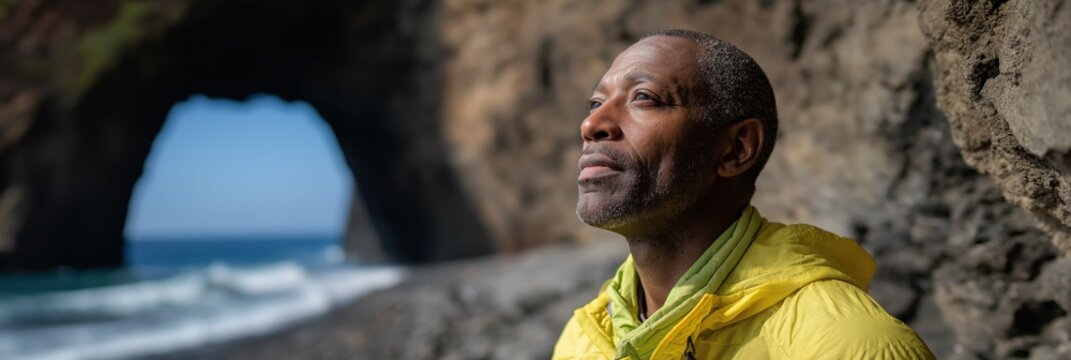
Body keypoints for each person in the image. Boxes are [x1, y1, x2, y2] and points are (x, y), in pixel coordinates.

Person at [552, 29, 934, 359]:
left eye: (644, 97)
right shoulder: (584, 339)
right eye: (596, 104)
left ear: (736, 149)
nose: (592, 124)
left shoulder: (849, 343)